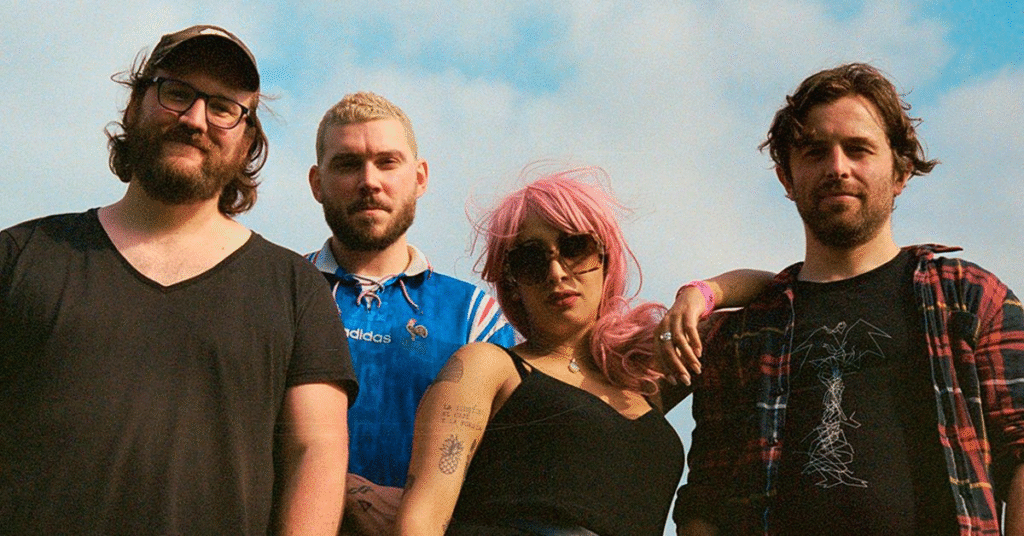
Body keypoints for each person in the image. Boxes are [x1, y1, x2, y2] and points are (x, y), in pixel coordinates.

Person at [0, 25, 357, 535]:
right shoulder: (19, 258)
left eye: (223, 107)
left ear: (249, 137)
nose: (195, 120)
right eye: (177, 93)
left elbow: (315, 454)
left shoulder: (297, 289)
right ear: (135, 105)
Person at [668, 63, 1024, 535]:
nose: (838, 167)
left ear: (900, 172)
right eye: (816, 152)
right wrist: (705, 291)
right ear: (786, 179)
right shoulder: (748, 330)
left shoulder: (969, 297)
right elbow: (708, 496)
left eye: (858, 149)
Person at [394, 166, 698, 535]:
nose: (556, 271)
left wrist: (697, 294)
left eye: (576, 247)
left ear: (607, 256)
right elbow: (420, 520)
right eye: (530, 260)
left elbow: (763, 300)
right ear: (512, 280)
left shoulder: (645, 383)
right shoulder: (487, 367)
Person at [305, 91, 516, 533]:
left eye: (387, 162)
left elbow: (506, 466)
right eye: (346, 164)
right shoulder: (280, 290)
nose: (369, 181)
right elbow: (230, 427)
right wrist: (346, 491)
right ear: (316, 183)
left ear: (419, 177)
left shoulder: (475, 316)